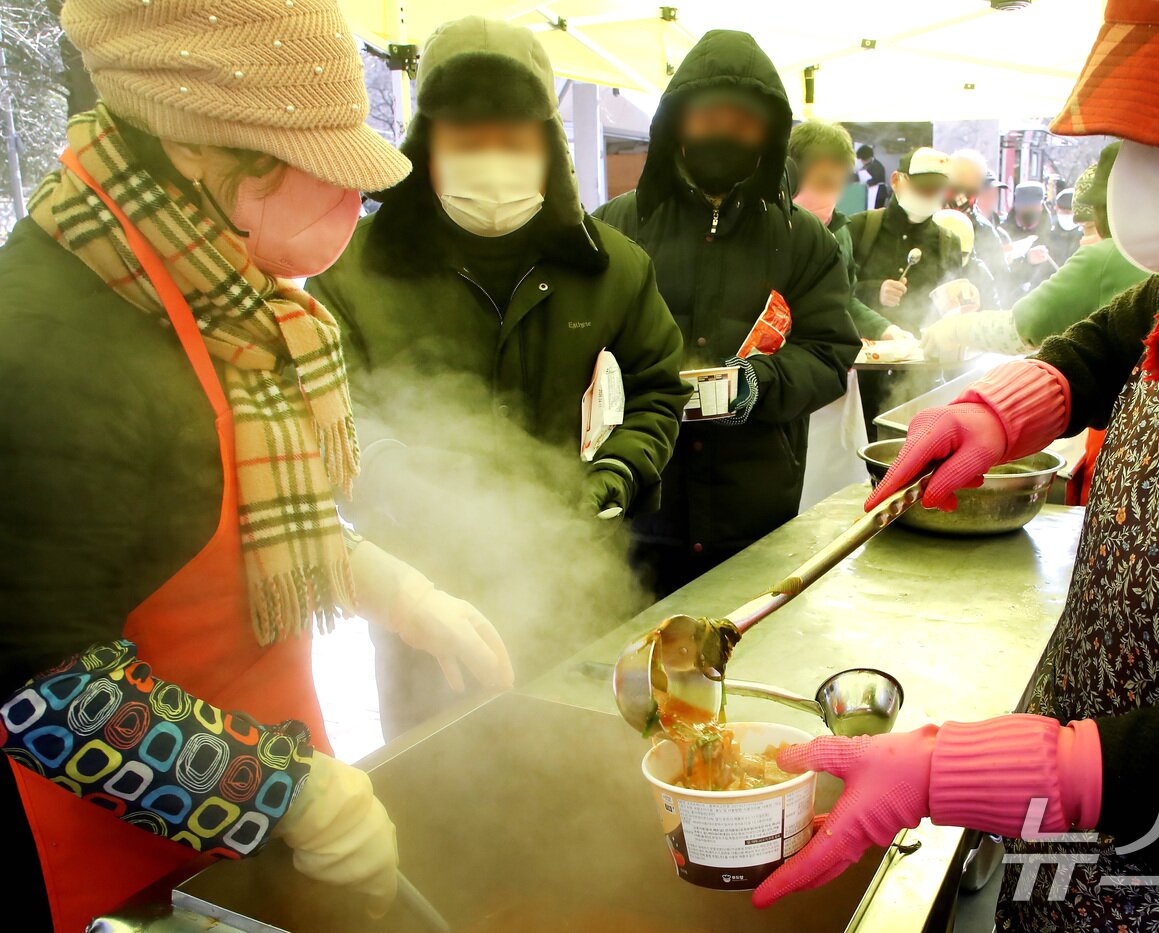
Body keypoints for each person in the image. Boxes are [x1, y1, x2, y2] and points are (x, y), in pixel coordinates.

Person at [752, 1, 1159, 929]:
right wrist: (998, 409)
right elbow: (1115, 335)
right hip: (1067, 835)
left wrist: (950, 769)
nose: (1145, 172)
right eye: (1138, 137)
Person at [0, 0, 462, 925]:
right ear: (198, 146)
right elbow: (39, 693)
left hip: (276, 815)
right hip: (129, 879)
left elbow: (205, 514)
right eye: (310, 166)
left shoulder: (220, 279)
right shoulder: (49, 340)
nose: (346, 200)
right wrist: (291, 793)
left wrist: (385, 584)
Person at [308, 17, 691, 734]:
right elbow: (333, 417)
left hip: (566, 572)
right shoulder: (353, 268)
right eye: (467, 139)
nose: (493, 158)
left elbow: (658, 387)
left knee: (567, 763)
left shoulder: (608, 265)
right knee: (439, 782)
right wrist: (402, 485)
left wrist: (619, 469)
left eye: (513, 139)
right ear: (427, 147)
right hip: (418, 594)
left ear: (547, 146)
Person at [595, 30, 859, 596]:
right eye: (709, 117)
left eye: (744, 122)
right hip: (642, 510)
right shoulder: (616, 227)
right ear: (677, 123)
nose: (725, 133)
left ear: (769, 132)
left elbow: (831, 350)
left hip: (756, 514)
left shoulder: (802, 238)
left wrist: (758, 383)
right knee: (639, 667)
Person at [922, 142, 1148, 360]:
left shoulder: (1104, 257)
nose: (1083, 240)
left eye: (1088, 227)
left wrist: (955, 328)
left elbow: (1020, 328)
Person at [789, 120, 910, 342]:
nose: (829, 193)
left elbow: (845, 301)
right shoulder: (766, 227)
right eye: (823, 182)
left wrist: (883, 329)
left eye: (837, 184)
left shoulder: (839, 230)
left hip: (825, 362)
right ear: (791, 173)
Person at [848, 147, 965, 334]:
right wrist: (874, 291)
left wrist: (964, 302)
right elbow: (835, 294)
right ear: (896, 181)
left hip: (921, 356)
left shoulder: (948, 243)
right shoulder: (859, 228)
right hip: (862, 354)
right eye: (922, 187)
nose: (929, 195)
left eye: (937, 189)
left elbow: (952, 312)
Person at [947, 148, 1012, 292]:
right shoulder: (926, 218)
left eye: (974, 184)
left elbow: (1001, 281)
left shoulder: (984, 229)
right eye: (961, 180)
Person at [932, 208, 1001, 311]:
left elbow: (994, 314)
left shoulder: (979, 272)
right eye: (950, 255)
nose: (956, 261)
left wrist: (977, 309)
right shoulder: (921, 269)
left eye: (962, 254)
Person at [1045, 187, 1083, 265]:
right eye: (1063, 212)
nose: (1067, 216)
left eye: (1070, 213)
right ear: (1056, 209)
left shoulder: (1087, 238)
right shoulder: (1048, 235)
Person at [855, 143, 889, 209]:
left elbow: (877, 179)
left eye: (863, 159)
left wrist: (864, 184)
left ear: (869, 157)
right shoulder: (866, 166)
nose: (862, 161)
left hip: (878, 194)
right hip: (870, 193)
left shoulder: (877, 166)